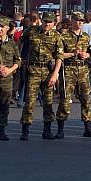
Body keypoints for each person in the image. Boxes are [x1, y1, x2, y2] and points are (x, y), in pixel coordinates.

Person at [19, 11, 64, 141]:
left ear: (53, 23)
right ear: (41, 21)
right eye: (45, 21)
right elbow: (20, 41)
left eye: (50, 22)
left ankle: (47, 130)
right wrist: (20, 57)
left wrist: (55, 74)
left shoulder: (56, 36)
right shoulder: (31, 31)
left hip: (48, 71)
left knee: (48, 102)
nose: (47, 24)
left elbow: (59, 56)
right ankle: (25, 129)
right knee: (29, 101)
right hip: (33, 69)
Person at [56, 11, 91, 139]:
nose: (80, 23)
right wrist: (72, 54)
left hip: (83, 69)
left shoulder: (85, 36)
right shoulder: (64, 36)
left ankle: (88, 127)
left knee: (86, 99)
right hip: (69, 69)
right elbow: (59, 55)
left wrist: (87, 55)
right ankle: (60, 128)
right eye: (77, 20)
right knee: (65, 99)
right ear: (72, 21)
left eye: (82, 21)